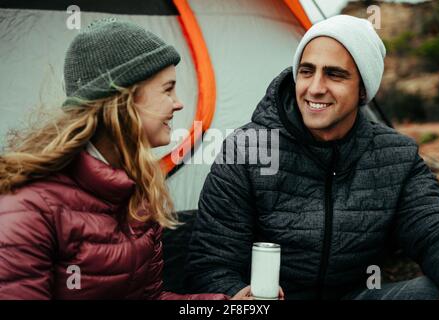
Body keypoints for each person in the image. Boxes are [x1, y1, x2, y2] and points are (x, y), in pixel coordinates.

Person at [186, 15, 439, 300]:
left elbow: (435, 231)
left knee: (429, 293)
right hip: (266, 302)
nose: (315, 88)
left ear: (363, 90)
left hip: (356, 296)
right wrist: (236, 294)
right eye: (306, 71)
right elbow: (211, 262)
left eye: (335, 74)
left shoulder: (394, 156)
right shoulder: (247, 149)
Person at [0, 19, 253, 300]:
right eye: (168, 89)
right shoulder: (29, 211)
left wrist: (228, 305)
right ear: (125, 99)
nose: (179, 102)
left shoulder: (139, 194)